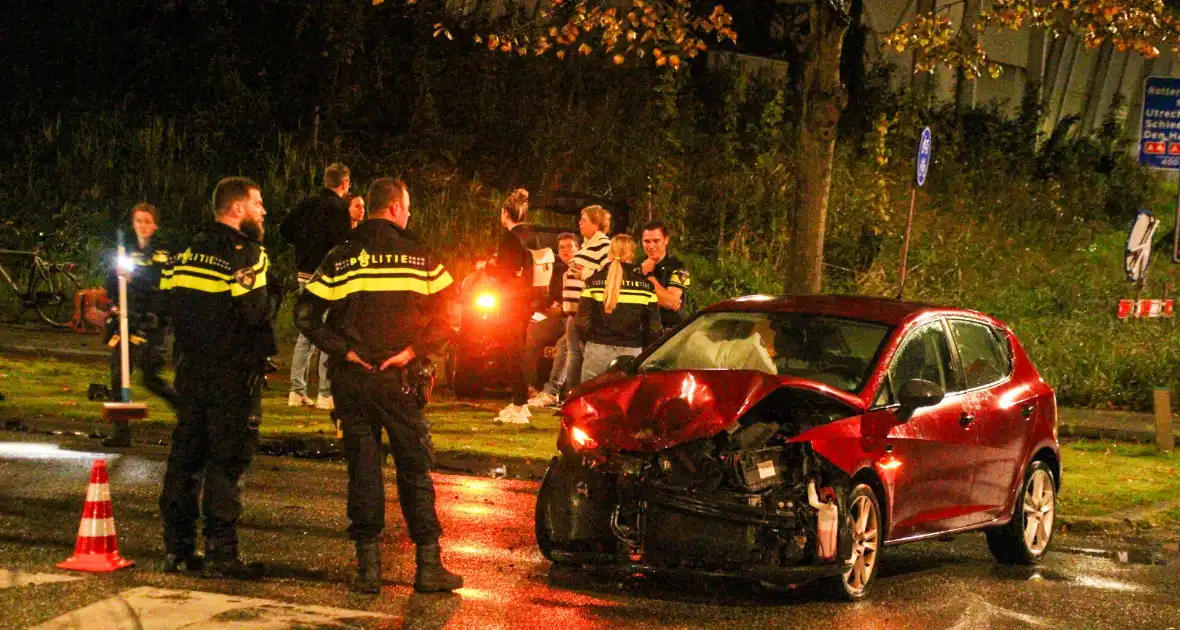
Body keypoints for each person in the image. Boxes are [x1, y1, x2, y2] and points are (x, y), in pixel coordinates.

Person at [295, 177, 463, 595]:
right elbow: (452, 315)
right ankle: (428, 566)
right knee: (415, 470)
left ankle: (367, 572)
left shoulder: (341, 255)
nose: (409, 216)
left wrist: (344, 351)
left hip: (353, 380)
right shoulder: (419, 255)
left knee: (363, 471)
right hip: (400, 380)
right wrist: (412, 351)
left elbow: (305, 316)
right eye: (406, 208)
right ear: (392, 208)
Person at [157, 176, 276, 579]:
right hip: (232, 375)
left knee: (186, 459)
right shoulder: (247, 254)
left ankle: (177, 549)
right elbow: (254, 313)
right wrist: (273, 294)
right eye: (258, 203)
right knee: (226, 462)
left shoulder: (184, 252)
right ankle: (222, 554)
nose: (263, 211)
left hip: (190, 372)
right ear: (237, 208)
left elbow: (168, 304)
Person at [102, 202, 180, 447]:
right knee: (118, 374)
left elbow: (164, 284)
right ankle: (121, 432)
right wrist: (115, 298)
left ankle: (188, 415)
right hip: (126, 319)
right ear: (133, 224)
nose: (143, 226)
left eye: (148, 221)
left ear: (155, 224)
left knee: (150, 376)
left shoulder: (165, 252)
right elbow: (112, 283)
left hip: (154, 321)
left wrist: (138, 280)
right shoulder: (125, 251)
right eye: (139, 221)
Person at [280, 163, 352, 410]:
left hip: (303, 272)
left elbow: (284, 230)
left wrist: (303, 245)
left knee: (306, 331)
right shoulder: (339, 208)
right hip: (326, 275)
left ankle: (296, 390)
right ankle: (325, 393)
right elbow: (342, 244)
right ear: (344, 184)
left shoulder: (306, 205)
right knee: (328, 330)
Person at [576, 234, 661, 382]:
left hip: (597, 351)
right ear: (632, 255)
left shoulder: (593, 282)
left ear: (609, 253)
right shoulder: (646, 287)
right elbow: (654, 328)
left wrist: (590, 341)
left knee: (591, 401)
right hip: (630, 354)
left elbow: (581, 322)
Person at [481, 189, 534, 425]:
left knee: (513, 353)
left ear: (506, 213)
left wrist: (486, 267)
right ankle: (519, 401)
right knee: (518, 352)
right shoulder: (529, 235)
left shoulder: (510, 238)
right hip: (526, 301)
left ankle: (520, 406)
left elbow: (506, 272)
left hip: (512, 303)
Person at [559, 205, 612, 394]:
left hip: (586, 311)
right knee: (573, 354)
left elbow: (609, 275)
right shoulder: (587, 245)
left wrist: (585, 274)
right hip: (573, 310)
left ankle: (575, 395)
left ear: (596, 223)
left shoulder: (604, 245)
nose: (580, 222)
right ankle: (570, 395)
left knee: (580, 355)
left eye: (584, 219)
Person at [526, 233, 577, 409]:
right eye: (562, 247)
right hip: (556, 317)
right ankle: (530, 386)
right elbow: (547, 299)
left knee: (565, 343)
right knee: (530, 330)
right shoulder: (555, 270)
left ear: (578, 248)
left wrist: (561, 308)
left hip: (573, 319)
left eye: (570, 246)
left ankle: (551, 391)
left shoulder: (581, 269)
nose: (565, 250)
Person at [639, 220, 691, 332]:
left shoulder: (678, 266)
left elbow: (671, 303)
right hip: (642, 331)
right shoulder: (637, 264)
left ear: (666, 240)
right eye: (647, 241)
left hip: (669, 331)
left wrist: (648, 275)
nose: (651, 246)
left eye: (656, 241)